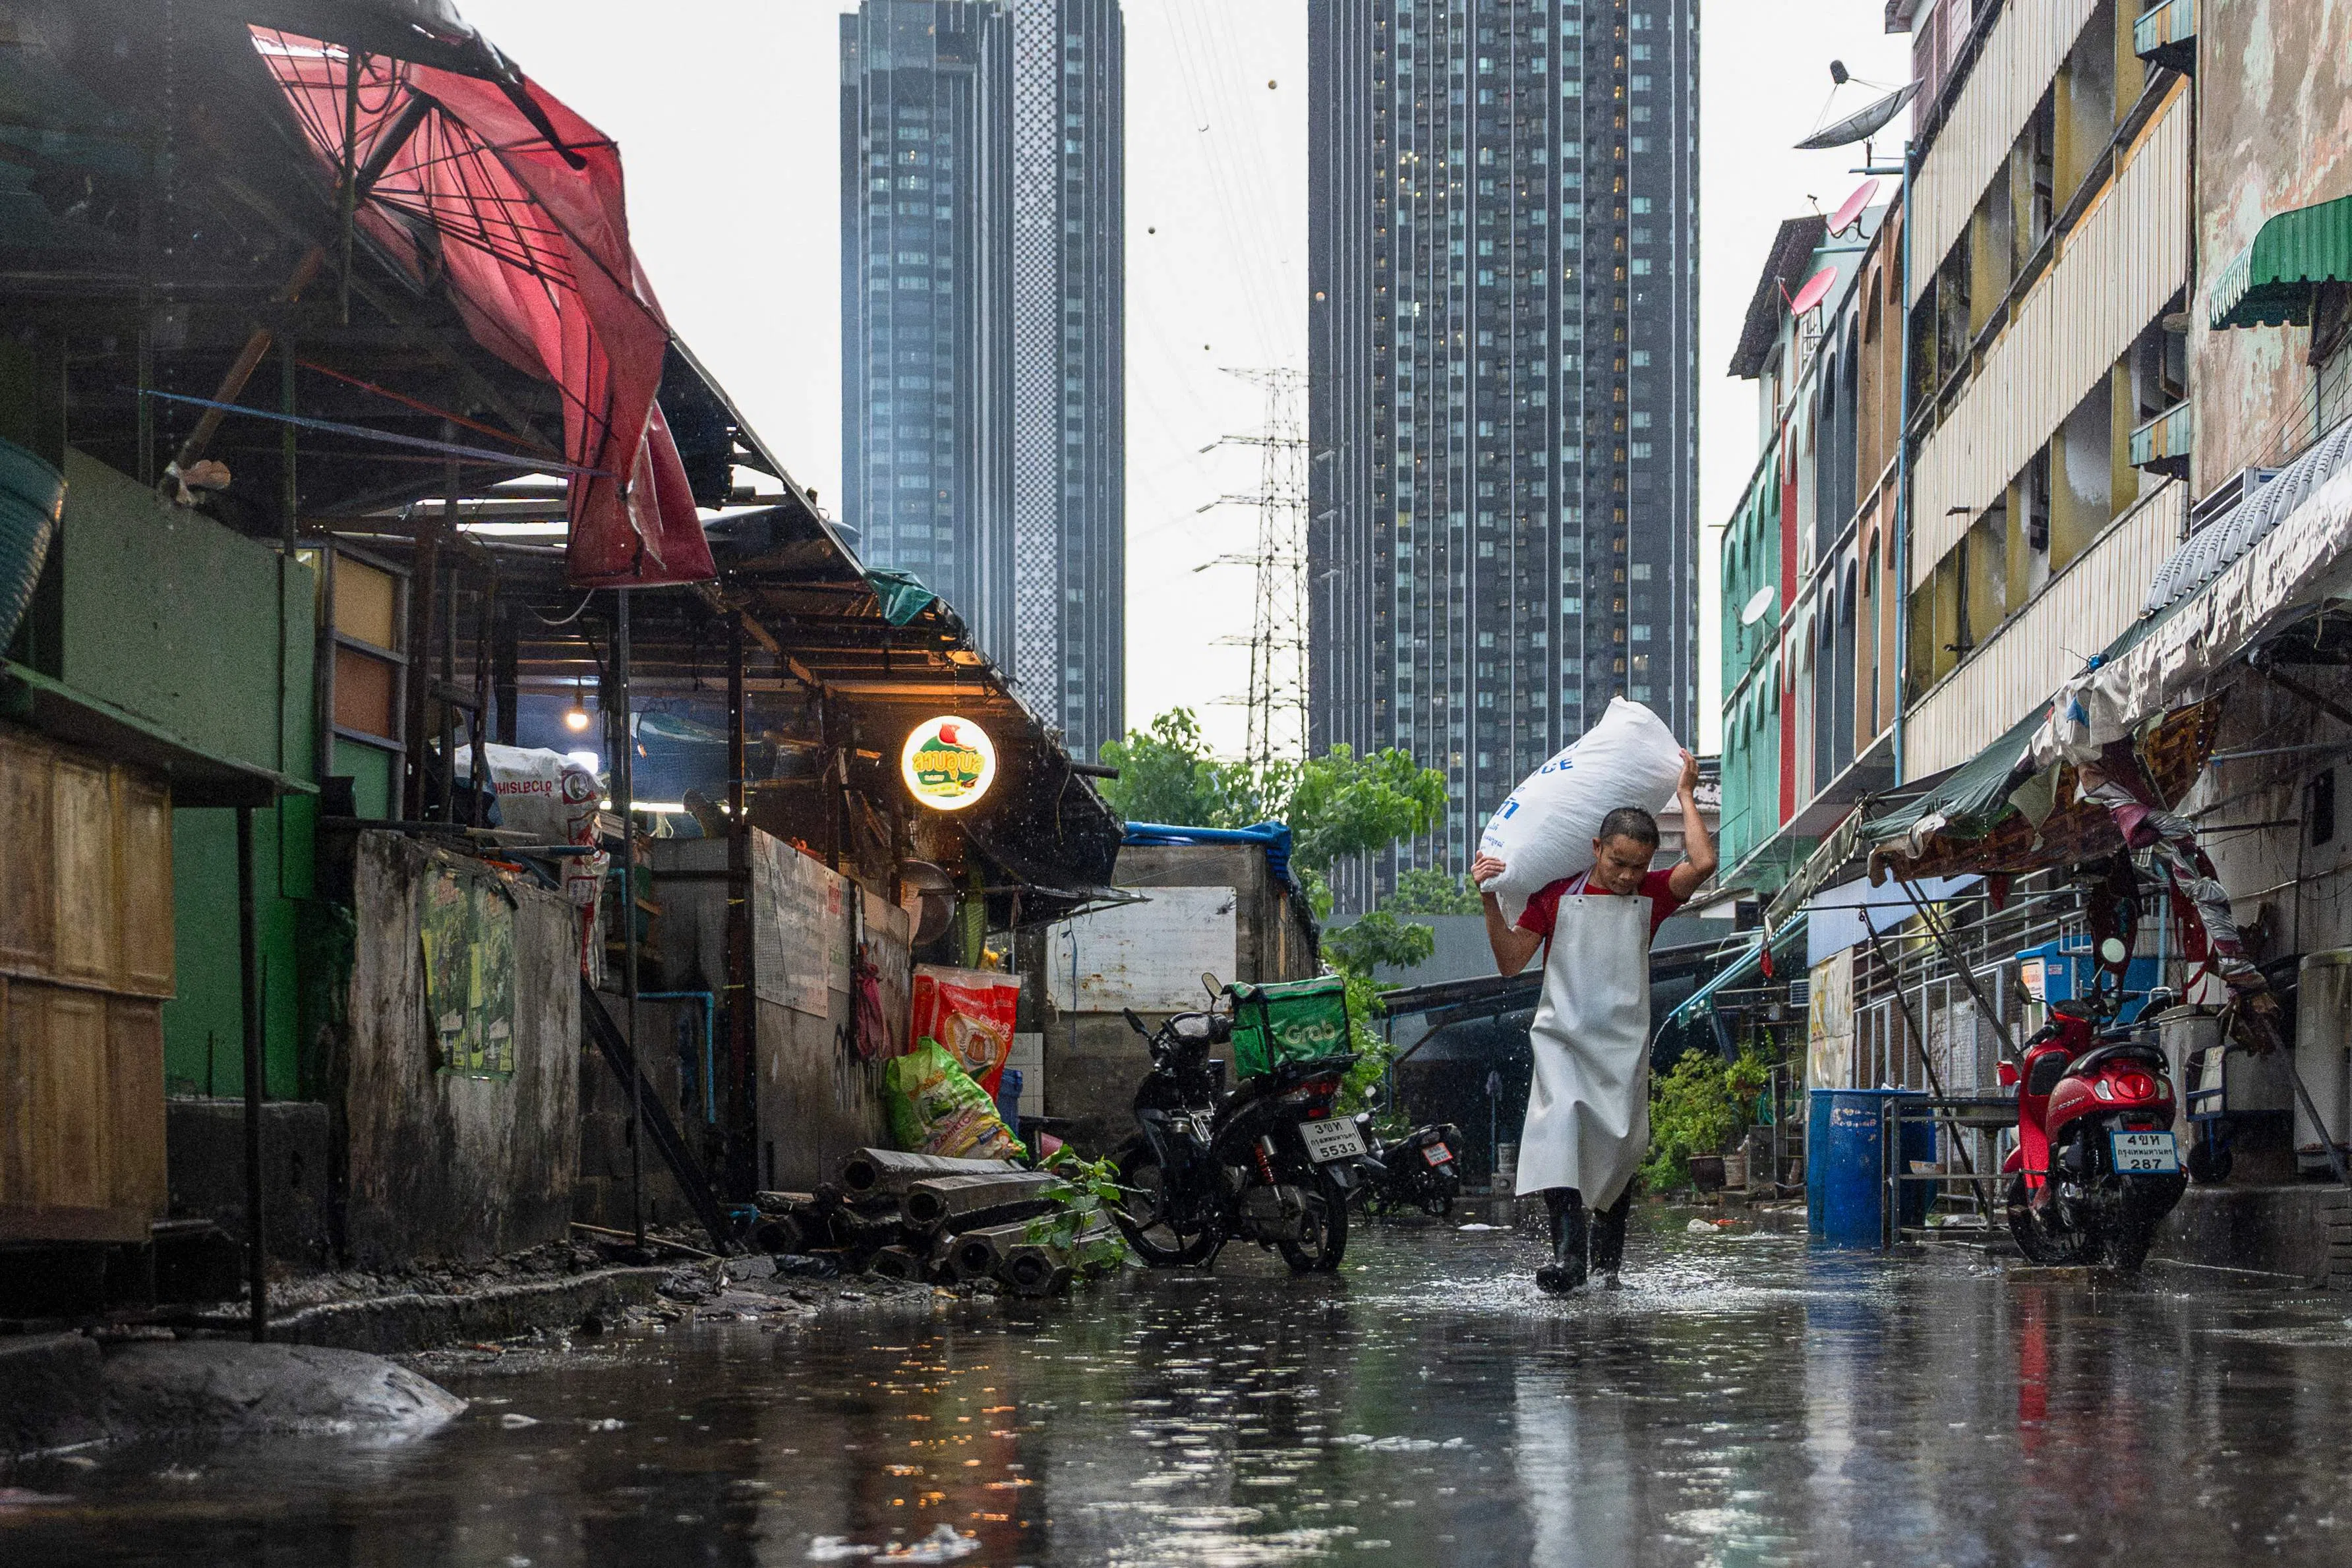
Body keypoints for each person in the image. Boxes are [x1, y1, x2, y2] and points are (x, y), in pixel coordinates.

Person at [1469, 750, 1715, 1294]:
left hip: (1622, 1042)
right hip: (1564, 1037)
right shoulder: (1555, 896)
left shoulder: (1651, 895)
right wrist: (1489, 898)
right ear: (1596, 848)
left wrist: (1685, 795)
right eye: (1618, 862)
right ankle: (1568, 1257)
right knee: (1557, 1133)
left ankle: (1607, 1267)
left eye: (1639, 865)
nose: (1628, 875)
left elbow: (1701, 865)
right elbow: (1511, 960)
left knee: (1617, 1148)